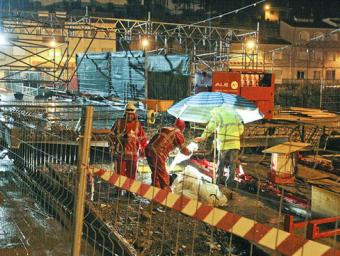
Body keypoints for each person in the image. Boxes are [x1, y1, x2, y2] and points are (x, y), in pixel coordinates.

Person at [194, 106, 244, 187]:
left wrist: (203, 137)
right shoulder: (234, 114)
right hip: (235, 143)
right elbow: (241, 128)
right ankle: (230, 184)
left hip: (224, 144)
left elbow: (210, 127)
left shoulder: (218, 115)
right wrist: (235, 135)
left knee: (221, 163)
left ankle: (217, 181)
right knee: (232, 164)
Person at [145, 119, 191, 191]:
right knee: (164, 178)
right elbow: (184, 151)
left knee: (156, 174)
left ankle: (154, 194)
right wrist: (190, 151)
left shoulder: (166, 129)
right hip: (158, 153)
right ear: (183, 128)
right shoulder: (178, 133)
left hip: (148, 149)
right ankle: (167, 198)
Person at [110, 102, 147, 180]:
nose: (130, 116)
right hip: (120, 153)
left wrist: (144, 149)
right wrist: (112, 146)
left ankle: (129, 191)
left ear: (134, 114)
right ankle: (119, 191)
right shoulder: (119, 122)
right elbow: (111, 136)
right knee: (119, 175)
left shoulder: (137, 124)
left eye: (131, 114)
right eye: (128, 114)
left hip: (133, 155)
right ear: (125, 113)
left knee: (132, 175)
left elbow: (143, 138)